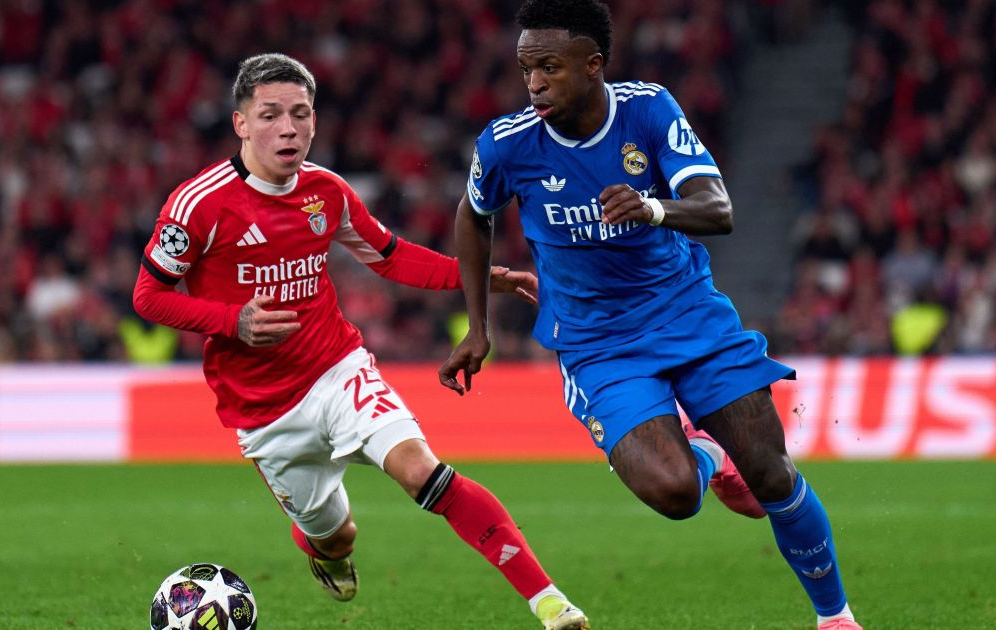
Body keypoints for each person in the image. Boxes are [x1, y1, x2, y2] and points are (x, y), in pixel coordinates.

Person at [439, 1, 862, 628]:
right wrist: (478, 325)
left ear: (593, 65)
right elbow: (474, 216)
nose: (534, 84)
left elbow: (717, 209)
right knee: (675, 493)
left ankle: (837, 619)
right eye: (527, 69)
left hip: (689, 316)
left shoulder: (648, 109)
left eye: (550, 67)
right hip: (598, 344)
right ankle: (708, 457)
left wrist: (651, 207)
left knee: (772, 476)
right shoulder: (508, 143)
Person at [133, 53, 589, 630]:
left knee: (422, 471)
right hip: (264, 410)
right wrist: (232, 321)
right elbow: (148, 296)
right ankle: (327, 551)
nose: (289, 128)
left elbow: (390, 257)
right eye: (270, 115)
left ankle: (550, 603)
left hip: (336, 370)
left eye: (301, 114)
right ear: (241, 124)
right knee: (335, 535)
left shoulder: (326, 191)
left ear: (315, 121)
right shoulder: (199, 204)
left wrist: (479, 275)